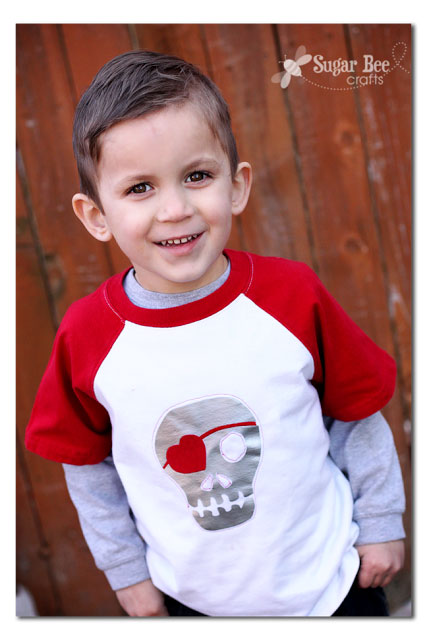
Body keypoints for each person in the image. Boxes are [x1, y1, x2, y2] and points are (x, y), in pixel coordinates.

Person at [25, 50, 405, 617]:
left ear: (236, 185)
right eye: (140, 188)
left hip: (331, 581)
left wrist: (380, 520)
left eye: (197, 176)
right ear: (95, 215)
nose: (175, 208)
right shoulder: (88, 336)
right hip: (192, 601)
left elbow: (356, 413)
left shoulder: (291, 297)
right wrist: (125, 572)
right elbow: (85, 465)